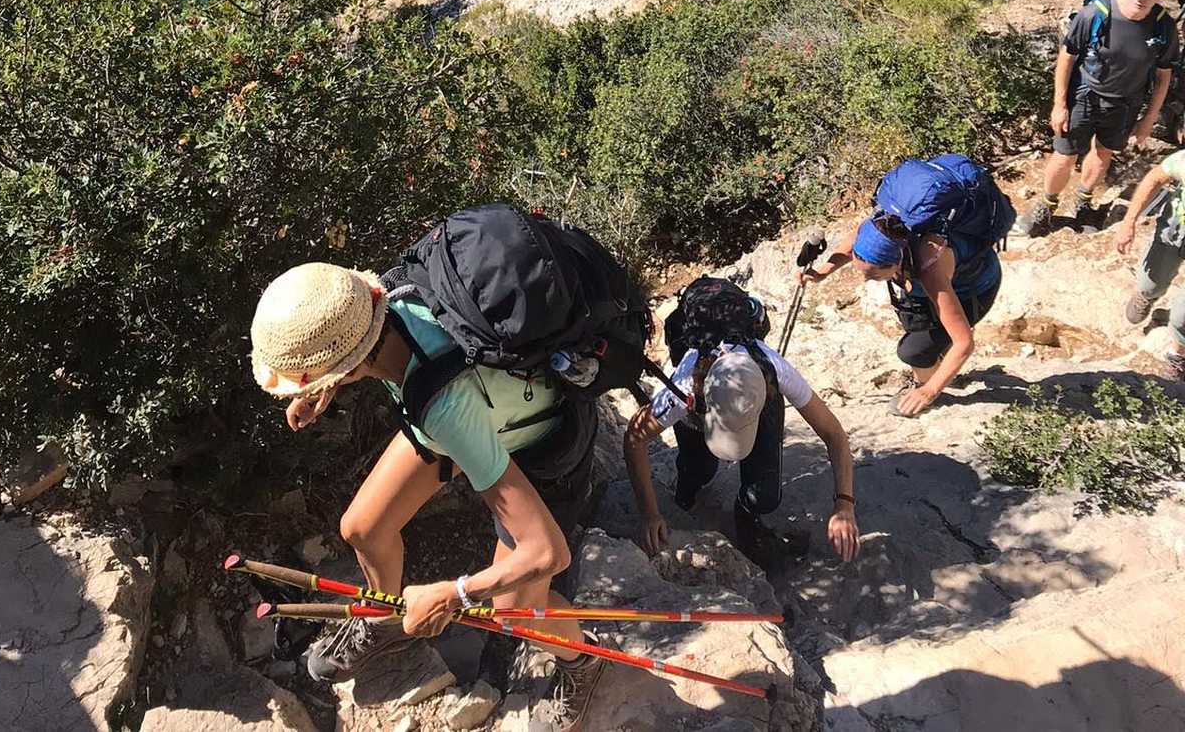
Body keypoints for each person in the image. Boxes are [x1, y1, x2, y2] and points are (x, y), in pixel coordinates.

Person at [250, 261, 606, 730]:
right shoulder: (390, 297)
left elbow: (547, 552)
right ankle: (384, 622)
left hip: (537, 443)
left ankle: (584, 663)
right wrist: (324, 386)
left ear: (350, 359)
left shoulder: (446, 409)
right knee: (363, 528)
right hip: (469, 409)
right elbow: (386, 360)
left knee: (513, 606)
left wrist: (454, 594)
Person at [623, 277, 859, 569]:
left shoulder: (775, 369)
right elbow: (634, 438)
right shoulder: (682, 386)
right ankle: (687, 490)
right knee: (699, 468)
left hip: (752, 396)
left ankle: (747, 514)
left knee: (765, 495)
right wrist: (651, 514)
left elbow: (834, 434)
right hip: (700, 399)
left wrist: (844, 505)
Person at [805, 182, 1005, 419]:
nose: (867, 280)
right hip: (931, 284)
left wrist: (929, 392)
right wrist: (822, 273)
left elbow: (964, 342)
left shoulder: (929, 270)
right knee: (913, 322)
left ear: (896, 262)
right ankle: (937, 366)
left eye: (873, 275)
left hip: (973, 289)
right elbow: (853, 243)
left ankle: (927, 385)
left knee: (914, 351)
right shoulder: (882, 230)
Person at [1020, 0, 1180, 237]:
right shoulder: (1096, 13)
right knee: (1065, 154)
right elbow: (1067, 58)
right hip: (1085, 95)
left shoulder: (1163, 27)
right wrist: (1059, 105)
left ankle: (1084, 202)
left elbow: (1163, 76)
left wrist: (1148, 120)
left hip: (1126, 102)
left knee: (1103, 152)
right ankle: (1046, 205)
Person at [1117, 150, 1185, 381]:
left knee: (1181, 316)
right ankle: (1147, 295)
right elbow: (1154, 178)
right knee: (1150, 282)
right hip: (1175, 230)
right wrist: (1129, 222)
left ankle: (1178, 356)